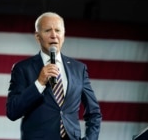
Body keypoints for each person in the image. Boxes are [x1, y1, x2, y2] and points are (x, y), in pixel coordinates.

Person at [6, 12, 102, 140]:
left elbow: (94, 113)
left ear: (63, 35)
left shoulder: (79, 69)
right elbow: (12, 112)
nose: (54, 35)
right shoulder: (22, 69)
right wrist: (39, 83)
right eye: (47, 30)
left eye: (58, 30)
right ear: (37, 36)